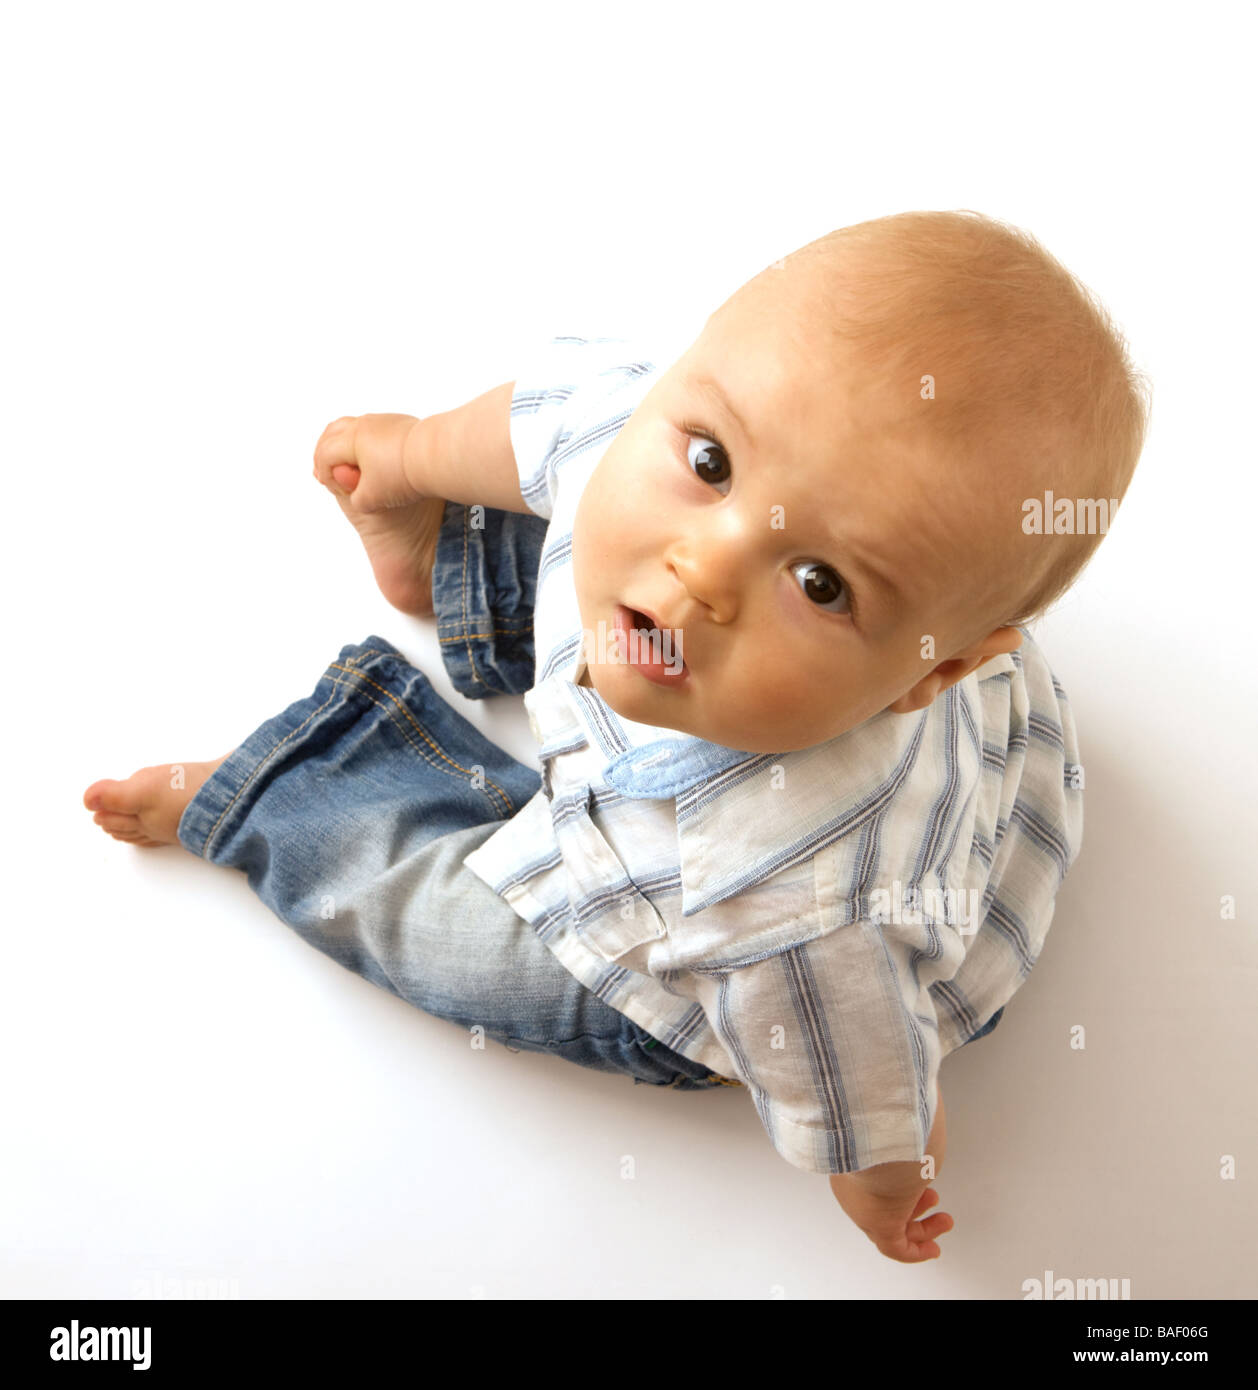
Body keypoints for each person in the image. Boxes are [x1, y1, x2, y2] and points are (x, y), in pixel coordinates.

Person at [84, 210, 1150, 1263]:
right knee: (568, 513)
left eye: (820, 582)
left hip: (692, 934)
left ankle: (293, 793)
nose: (703, 566)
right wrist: (411, 458)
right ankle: (448, 560)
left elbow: (860, 1074)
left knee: (443, 927)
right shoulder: (651, 432)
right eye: (712, 462)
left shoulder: (800, 921)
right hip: (827, 734)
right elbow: (536, 426)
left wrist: (888, 1176)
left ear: (937, 670)